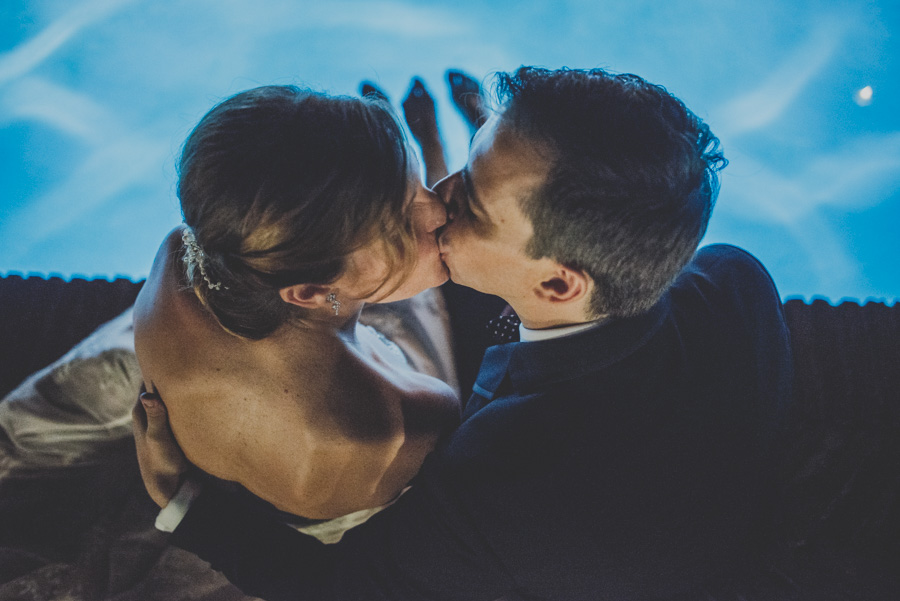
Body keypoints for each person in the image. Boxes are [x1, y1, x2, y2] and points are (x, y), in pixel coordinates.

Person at [135, 66, 793, 600]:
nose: (441, 195)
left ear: (559, 283)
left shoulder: (500, 489)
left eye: (470, 201)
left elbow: (338, 587)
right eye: (468, 163)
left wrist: (183, 503)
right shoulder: (737, 279)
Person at [132, 85, 462, 538]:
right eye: (404, 223)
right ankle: (436, 139)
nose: (441, 208)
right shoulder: (399, 420)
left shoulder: (177, 262)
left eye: (420, 181)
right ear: (308, 291)